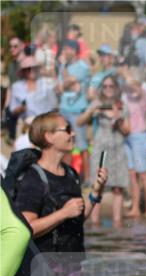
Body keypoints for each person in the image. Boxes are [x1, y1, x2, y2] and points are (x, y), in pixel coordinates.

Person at [12, 112, 108, 276]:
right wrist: (63, 213)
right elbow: (26, 228)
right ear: (48, 136)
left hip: (70, 263)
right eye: (67, 130)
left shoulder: (70, 173)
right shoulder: (33, 178)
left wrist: (96, 192)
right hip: (42, 266)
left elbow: (78, 216)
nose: (73, 134)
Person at [78, 76, 129, 226]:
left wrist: (118, 118)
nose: (108, 89)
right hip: (101, 148)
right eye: (105, 86)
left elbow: (127, 131)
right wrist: (92, 111)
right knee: (97, 186)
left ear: (116, 87)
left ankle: (117, 223)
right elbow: (79, 122)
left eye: (111, 86)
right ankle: (95, 224)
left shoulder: (121, 105)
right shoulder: (97, 103)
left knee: (118, 188)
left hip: (118, 147)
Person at [56, 40, 90, 182]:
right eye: (63, 50)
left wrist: (63, 68)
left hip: (77, 111)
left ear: (74, 50)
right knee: (65, 145)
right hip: (64, 110)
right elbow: (60, 88)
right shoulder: (63, 67)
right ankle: (66, 178)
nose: (63, 53)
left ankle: (88, 178)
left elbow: (68, 81)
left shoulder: (82, 66)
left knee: (82, 146)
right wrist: (65, 79)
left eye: (66, 49)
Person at [121, 69, 146, 219]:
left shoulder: (144, 90)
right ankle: (135, 207)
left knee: (144, 174)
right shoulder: (125, 95)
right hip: (127, 137)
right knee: (133, 174)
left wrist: (127, 75)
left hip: (140, 136)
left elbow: (137, 88)